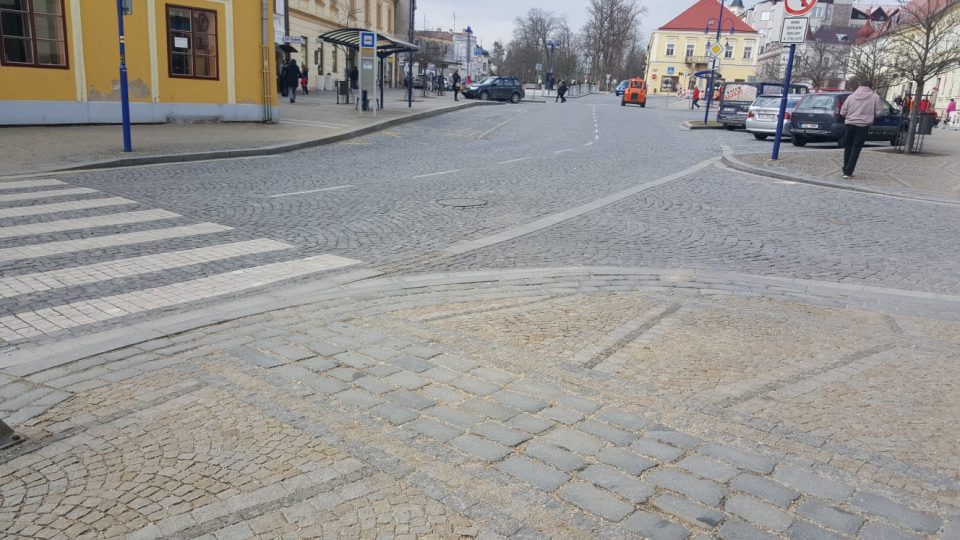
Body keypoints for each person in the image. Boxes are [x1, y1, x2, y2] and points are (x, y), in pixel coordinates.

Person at [839, 83, 885, 179]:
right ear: (871, 87)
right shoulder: (875, 97)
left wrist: (850, 116)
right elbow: (879, 112)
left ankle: (845, 169)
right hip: (863, 125)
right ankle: (848, 171)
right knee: (856, 148)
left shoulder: (851, 96)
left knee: (848, 147)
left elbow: (843, 112)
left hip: (850, 124)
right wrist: (871, 115)